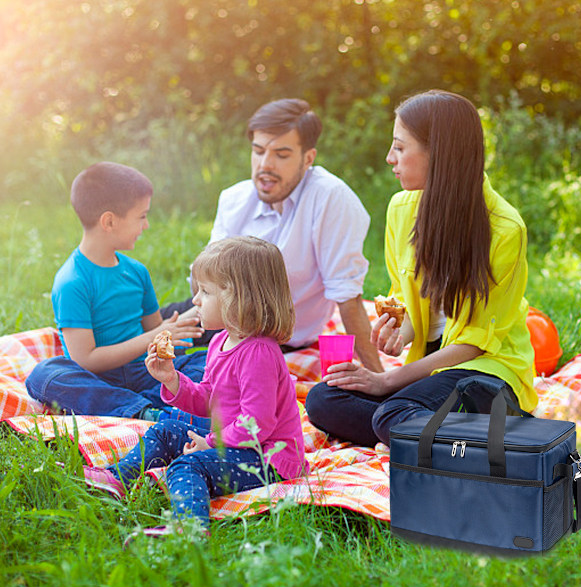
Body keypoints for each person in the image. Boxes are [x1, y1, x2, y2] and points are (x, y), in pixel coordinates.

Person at [305, 90, 537, 447]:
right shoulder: (402, 209)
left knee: (392, 411)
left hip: (485, 374)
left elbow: (475, 344)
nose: (389, 158)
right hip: (430, 372)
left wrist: (386, 382)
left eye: (400, 147)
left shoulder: (506, 229)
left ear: (439, 154)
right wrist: (402, 332)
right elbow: (409, 300)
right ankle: (439, 435)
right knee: (323, 398)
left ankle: (426, 428)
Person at [83, 236, 308, 538]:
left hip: (267, 459)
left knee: (187, 467)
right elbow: (208, 401)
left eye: (205, 291)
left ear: (239, 298)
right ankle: (115, 479)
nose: (196, 300)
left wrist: (212, 443)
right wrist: (171, 379)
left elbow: (257, 425)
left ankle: (189, 528)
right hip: (233, 441)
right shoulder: (220, 341)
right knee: (165, 429)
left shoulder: (259, 354)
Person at [163, 98, 383, 372]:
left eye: (281, 154)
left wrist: (380, 383)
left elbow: (347, 298)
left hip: (273, 336)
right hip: (215, 312)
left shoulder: (330, 200)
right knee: (126, 331)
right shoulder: (235, 198)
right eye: (258, 151)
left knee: (192, 376)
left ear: (308, 159)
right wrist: (168, 329)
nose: (266, 165)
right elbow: (203, 282)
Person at [25, 162, 206, 419]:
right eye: (142, 216)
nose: (147, 225)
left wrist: (185, 321)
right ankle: (143, 410)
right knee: (44, 375)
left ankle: (137, 406)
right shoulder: (72, 282)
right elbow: (85, 360)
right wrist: (154, 335)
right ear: (109, 221)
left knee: (209, 361)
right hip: (97, 381)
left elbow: (155, 330)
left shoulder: (136, 272)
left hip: (146, 371)